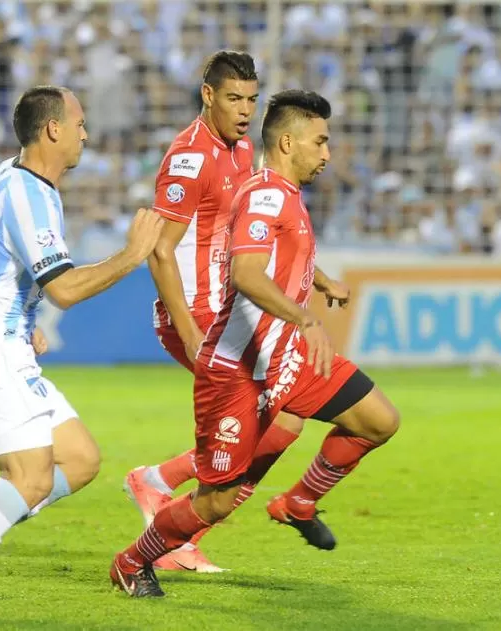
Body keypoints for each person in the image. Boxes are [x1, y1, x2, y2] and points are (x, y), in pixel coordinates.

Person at [110, 89, 401, 598]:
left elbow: (277, 261)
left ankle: (300, 503)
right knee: (218, 502)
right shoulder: (266, 195)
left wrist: (321, 282)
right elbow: (246, 273)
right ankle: (132, 561)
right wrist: (304, 319)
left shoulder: (283, 193)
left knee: (378, 420)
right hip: (238, 372)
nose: (327, 154)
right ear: (289, 142)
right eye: (321, 142)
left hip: (286, 358)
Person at [0, 85, 163, 617]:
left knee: (81, 459)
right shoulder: (29, 193)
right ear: (53, 129)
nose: (87, 133)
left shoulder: (13, 177)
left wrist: (26, 316)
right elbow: (64, 288)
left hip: (4, 338)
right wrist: (132, 256)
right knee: (31, 478)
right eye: (81, 123)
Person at [122, 50, 304, 573]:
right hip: (196, 317)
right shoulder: (190, 158)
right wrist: (189, 329)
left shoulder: (244, 147)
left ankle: (159, 484)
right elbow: (160, 249)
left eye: (251, 99)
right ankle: (172, 536)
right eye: (233, 98)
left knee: (280, 416)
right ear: (208, 96)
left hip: (229, 314)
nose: (245, 110)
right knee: (274, 417)